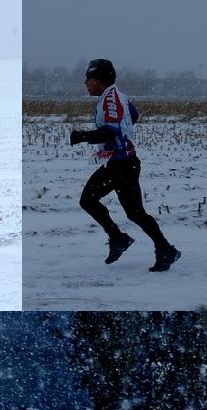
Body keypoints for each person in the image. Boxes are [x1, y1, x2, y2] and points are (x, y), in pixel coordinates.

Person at [69, 59, 181, 273]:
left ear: (98, 80)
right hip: (125, 162)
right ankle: (165, 249)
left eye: (88, 80)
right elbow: (134, 115)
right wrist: (123, 133)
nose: (86, 84)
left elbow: (110, 130)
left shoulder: (110, 99)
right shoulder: (118, 95)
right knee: (136, 213)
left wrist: (84, 136)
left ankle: (119, 238)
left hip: (119, 164)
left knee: (88, 200)